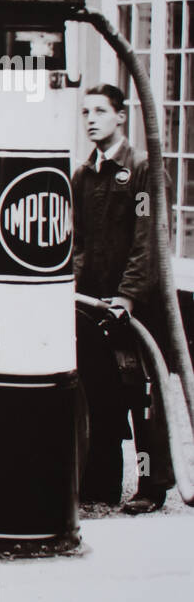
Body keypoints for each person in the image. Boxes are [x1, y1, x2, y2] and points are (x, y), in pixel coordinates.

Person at [72, 83, 175, 513]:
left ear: (120, 117)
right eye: (85, 112)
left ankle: (152, 488)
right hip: (94, 306)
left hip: (137, 309)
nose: (91, 119)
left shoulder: (143, 170)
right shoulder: (82, 175)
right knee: (101, 391)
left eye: (100, 111)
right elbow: (77, 244)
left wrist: (128, 297)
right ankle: (101, 485)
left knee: (143, 399)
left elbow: (147, 243)